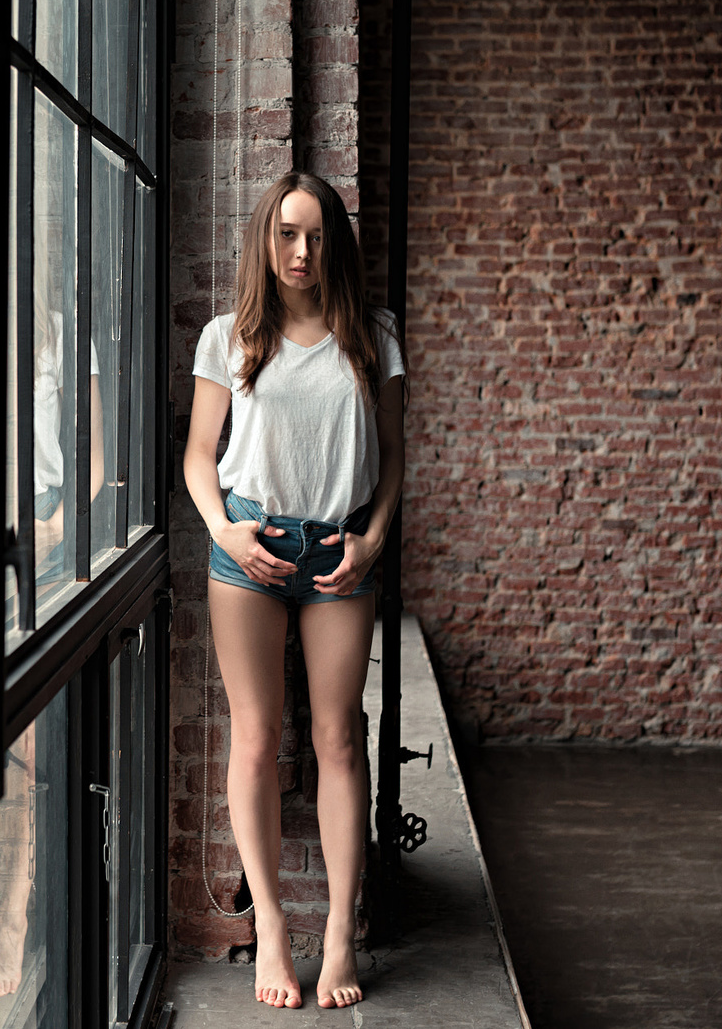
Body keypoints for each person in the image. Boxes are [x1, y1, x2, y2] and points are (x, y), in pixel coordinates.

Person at [184, 172, 405, 1010]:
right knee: (255, 736)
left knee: (338, 739)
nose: (301, 252)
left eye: (315, 236)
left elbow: (392, 460)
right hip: (249, 544)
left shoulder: (375, 336)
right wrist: (222, 530)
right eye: (286, 234)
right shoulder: (229, 337)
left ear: (335, 241)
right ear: (264, 239)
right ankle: (272, 930)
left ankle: (341, 934)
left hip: (341, 552)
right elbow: (200, 456)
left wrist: (374, 538)